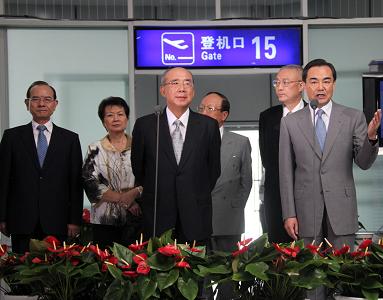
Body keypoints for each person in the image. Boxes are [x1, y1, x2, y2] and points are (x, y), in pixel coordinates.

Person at [279, 59, 381, 300]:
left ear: (334, 84)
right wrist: (289, 213)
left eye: (326, 81)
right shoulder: (290, 122)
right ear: (304, 86)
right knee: (311, 275)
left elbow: (364, 162)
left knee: (342, 272)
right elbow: (284, 171)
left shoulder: (353, 117)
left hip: (341, 208)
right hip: (305, 209)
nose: (320, 87)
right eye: (314, 81)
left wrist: (371, 137)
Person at [131, 67, 221, 244]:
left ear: (193, 91)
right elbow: (139, 169)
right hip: (158, 217)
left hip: (196, 215)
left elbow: (213, 170)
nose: (182, 88)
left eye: (187, 83)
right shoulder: (146, 125)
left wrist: (191, 191)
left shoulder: (208, 126)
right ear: (163, 90)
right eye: (175, 82)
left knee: (197, 269)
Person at [0, 81, 83, 254]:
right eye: (35, 99)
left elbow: (75, 183)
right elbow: (3, 179)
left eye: (47, 99)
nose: (41, 103)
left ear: (55, 104)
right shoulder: (11, 137)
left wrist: (74, 220)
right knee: (21, 276)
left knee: (55, 277)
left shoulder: (70, 139)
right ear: (27, 103)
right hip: (21, 220)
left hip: (57, 220)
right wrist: (2, 217)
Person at [198, 91, 252, 300]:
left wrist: (235, 209)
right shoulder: (189, 140)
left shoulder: (240, 142)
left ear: (224, 115)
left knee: (227, 275)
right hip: (197, 218)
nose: (203, 112)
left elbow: (246, 181)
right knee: (200, 273)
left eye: (210, 109)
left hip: (228, 219)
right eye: (201, 108)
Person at [82, 97, 142, 248]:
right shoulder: (95, 148)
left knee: (135, 264)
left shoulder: (140, 146)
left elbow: (150, 177)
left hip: (136, 217)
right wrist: (122, 198)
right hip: (104, 219)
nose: (116, 118)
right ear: (103, 122)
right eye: (110, 115)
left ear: (127, 119)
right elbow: (89, 181)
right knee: (105, 264)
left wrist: (134, 194)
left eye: (120, 114)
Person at [259, 64, 306, 243]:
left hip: (308, 195)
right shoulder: (267, 117)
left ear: (301, 86)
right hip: (276, 195)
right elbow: (267, 160)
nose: (279, 87)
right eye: (276, 82)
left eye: (285, 82)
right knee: (278, 255)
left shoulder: (314, 114)